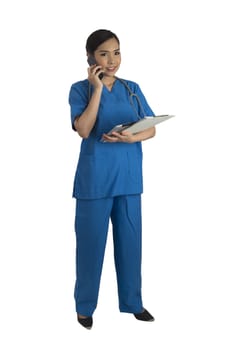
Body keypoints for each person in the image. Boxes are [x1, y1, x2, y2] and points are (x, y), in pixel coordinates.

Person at [68, 29, 156, 330]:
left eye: (116, 52)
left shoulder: (132, 88)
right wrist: (96, 88)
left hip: (129, 180)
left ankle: (133, 302)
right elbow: (83, 128)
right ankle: (84, 307)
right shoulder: (79, 89)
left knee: (131, 244)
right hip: (95, 182)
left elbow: (151, 128)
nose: (112, 59)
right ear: (91, 57)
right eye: (104, 53)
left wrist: (131, 138)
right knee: (90, 247)